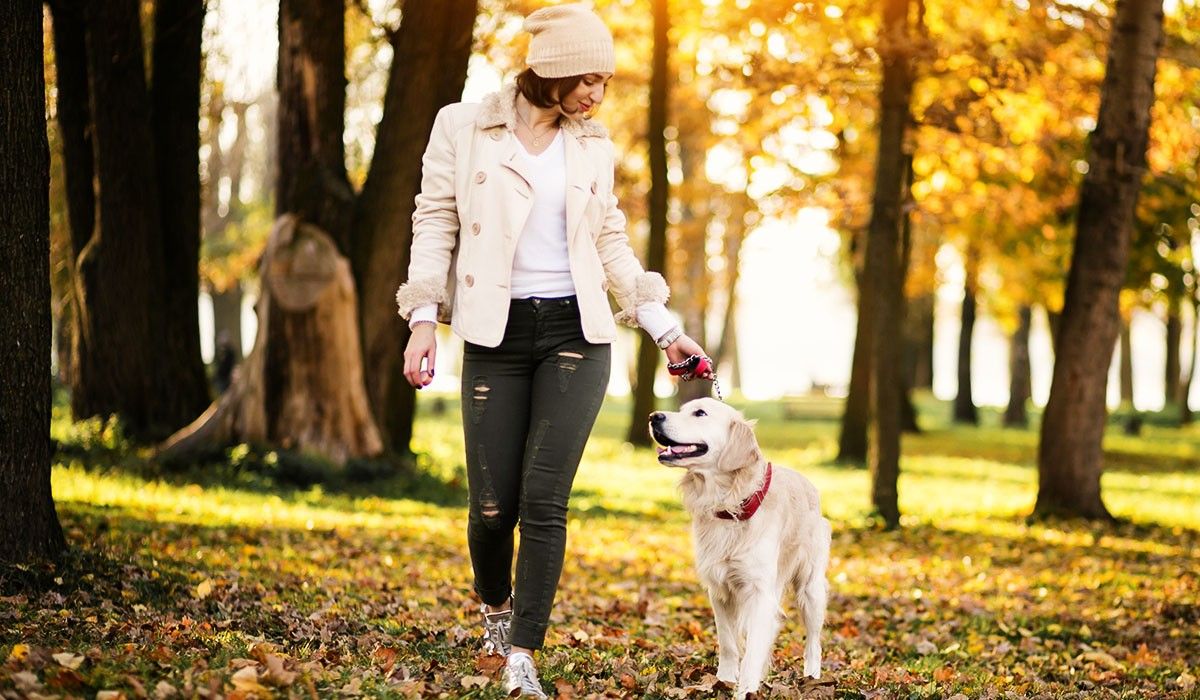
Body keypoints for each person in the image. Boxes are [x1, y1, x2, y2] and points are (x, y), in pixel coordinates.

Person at [395, 4, 711, 697]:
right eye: (588, 78)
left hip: (576, 334)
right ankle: (495, 608)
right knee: (490, 509)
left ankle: (521, 656)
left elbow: (610, 241)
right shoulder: (464, 125)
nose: (597, 94)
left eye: (605, 80)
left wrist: (664, 328)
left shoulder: (591, 143)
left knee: (543, 501)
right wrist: (423, 317)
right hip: (494, 334)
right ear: (553, 69)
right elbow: (435, 217)